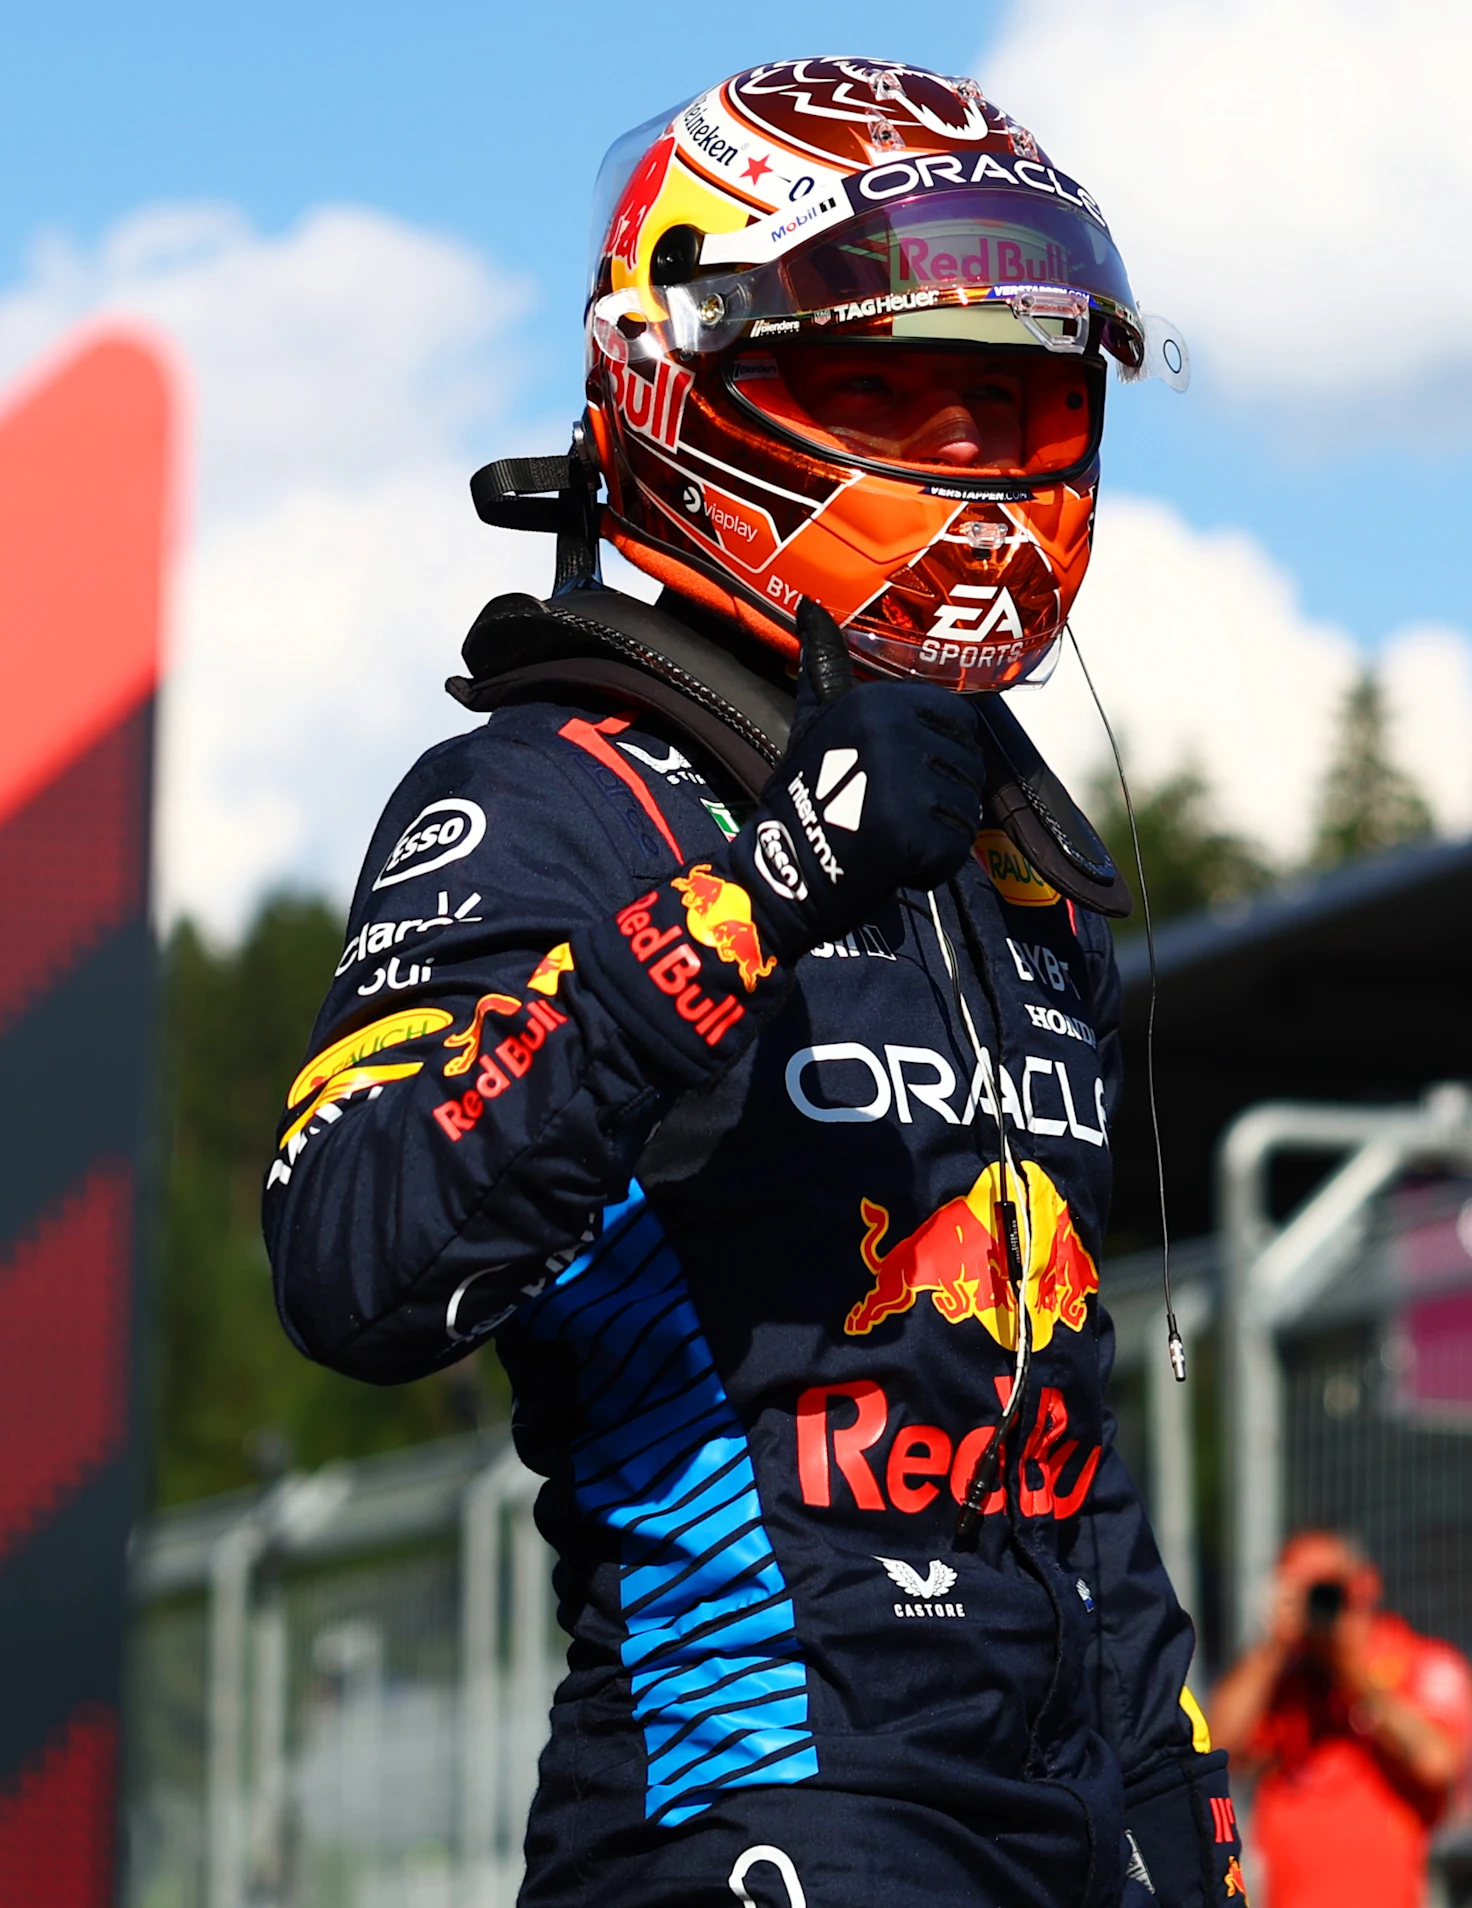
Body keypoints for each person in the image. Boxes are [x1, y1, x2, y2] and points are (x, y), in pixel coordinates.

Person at [265, 55, 1235, 1908]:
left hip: (1058, 1832)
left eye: (1009, 398)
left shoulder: (1011, 858)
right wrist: (764, 887)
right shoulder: (552, 792)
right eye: (879, 387)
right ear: (677, 380)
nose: (962, 459)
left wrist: (1175, 1811)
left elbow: (1047, 1424)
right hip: (749, 1805)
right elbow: (352, 1253)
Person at [1205, 1530, 1472, 1908]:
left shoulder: (1420, 1662)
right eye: (1298, 1589)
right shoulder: (1280, 1681)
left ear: (1366, 1583)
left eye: (1326, 1586)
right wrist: (1272, 1647)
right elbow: (1211, 1747)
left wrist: (1350, 1673)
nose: (1316, 1601)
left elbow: (1438, 1760)